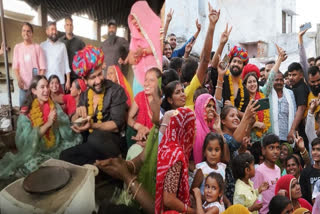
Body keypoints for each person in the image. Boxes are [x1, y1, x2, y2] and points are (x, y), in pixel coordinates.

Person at [0, 75, 81, 179]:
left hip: (56, 145)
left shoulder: (54, 106)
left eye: (47, 86)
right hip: (37, 150)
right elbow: (27, 142)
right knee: (33, 164)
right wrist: (48, 123)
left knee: (78, 138)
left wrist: (58, 124)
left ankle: (53, 165)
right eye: (42, 87)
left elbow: (64, 127)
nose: (46, 90)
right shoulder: (26, 112)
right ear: (34, 91)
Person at [60, 45, 127, 165]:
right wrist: (76, 118)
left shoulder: (116, 91)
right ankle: (100, 166)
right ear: (84, 80)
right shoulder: (85, 95)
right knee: (64, 156)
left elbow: (117, 125)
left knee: (95, 137)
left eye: (99, 74)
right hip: (91, 144)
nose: (98, 81)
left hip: (111, 143)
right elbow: (75, 118)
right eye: (92, 77)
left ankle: (116, 164)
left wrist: (92, 125)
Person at [155, 107, 196, 214]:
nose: (195, 132)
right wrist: (192, 211)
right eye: (193, 127)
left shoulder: (165, 145)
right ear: (186, 129)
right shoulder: (176, 155)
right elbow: (169, 199)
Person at [242, 45, 287, 142]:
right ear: (245, 85)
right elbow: (240, 118)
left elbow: (271, 77)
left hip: (266, 137)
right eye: (249, 82)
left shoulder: (263, 92)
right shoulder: (243, 99)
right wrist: (255, 123)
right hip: (251, 139)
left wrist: (279, 59)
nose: (252, 84)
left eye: (254, 81)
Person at [210, 25, 250, 115]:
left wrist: (234, 109)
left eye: (239, 63)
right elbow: (214, 66)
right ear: (229, 63)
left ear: (243, 67)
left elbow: (245, 115)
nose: (236, 64)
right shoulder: (222, 76)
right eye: (234, 61)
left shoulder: (245, 91)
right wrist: (222, 44)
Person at [126, 1, 162, 95]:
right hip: (139, 77)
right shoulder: (134, 35)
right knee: (140, 103)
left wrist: (144, 51)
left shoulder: (156, 26)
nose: (134, 21)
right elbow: (131, 59)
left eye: (136, 17)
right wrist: (133, 56)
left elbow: (160, 47)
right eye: (132, 18)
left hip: (155, 74)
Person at [13, 22, 46, 106]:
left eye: (28, 31)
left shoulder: (37, 48)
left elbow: (43, 68)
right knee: (23, 112)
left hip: (35, 88)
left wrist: (37, 83)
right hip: (23, 87)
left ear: (32, 33)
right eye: (24, 31)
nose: (26, 33)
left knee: (36, 111)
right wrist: (19, 79)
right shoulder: (17, 47)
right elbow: (15, 67)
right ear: (21, 32)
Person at [127, 67, 161, 148]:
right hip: (139, 135)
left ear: (159, 83)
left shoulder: (160, 101)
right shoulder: (140, 96)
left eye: (151, 80)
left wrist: (148, 133)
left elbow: (160, 128)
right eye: (146, 80)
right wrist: (139, 127)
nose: (146, 84)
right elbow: (129, 117)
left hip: (154, 139)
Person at [252, 134, 281, 214]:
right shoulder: (259, 171)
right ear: (263, 150)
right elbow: (255, 194)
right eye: (271, 148)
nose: (275, 152)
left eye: (277, 148)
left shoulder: (278, 169)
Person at [193, 94, 225, 164]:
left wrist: (218, 129)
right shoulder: (194, 127)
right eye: (208, 106)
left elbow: (225, 157)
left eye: (214, 107)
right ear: (200, 107)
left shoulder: (212, 129)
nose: (212, 109)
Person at [41, 21, 71, 91]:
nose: (54, 32)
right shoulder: (42, 46)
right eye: (52, 29)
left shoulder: (62, 46)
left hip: (60, 83)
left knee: (61, 101)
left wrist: (68, 80)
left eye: (55, 29)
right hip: (47, 83)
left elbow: (66, 64)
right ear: (47, 31)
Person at [269, 72, 296, 143]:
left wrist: (292, 131)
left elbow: (294, 114)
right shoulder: (268, 94)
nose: (279, 82)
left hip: (287, 136)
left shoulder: (290, 94)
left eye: (281, 80)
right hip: (271, 137)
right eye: (276, 80)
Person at [287, 62, 309, 146]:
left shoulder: (301, 88)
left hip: (301, 129)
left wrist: (292, 129)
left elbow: (301, 109)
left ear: (301, 75)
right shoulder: (294, 87)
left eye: (294, 75)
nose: (291, 78)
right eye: (289, 75)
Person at [59, 17, 86, 83]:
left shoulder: (79, 42)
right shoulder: (59, 42)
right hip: (63, 76)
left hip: (76, 76)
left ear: (73, 27)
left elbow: (85, 57)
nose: (69, 27)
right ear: (64, 26)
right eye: (67, 25)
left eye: (71, 25)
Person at [300, 137, 320, 204]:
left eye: (318, 149)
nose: (315, 152)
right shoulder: (305, 172)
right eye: (313, 149)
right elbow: (303, 196)